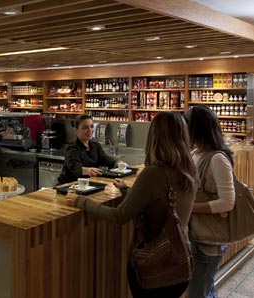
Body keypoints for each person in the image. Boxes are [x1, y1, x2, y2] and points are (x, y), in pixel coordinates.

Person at [65, 112, 197, 298]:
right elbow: (161, 205)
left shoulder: (153, 174)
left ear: (155, 137)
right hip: (181, 262)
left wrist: (81, 200)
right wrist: (128, 191)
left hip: (152, 265)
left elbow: (119, 216)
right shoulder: (189, 170)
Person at [184, 105, 236, 298]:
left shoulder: (217, 159)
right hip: (197, 234)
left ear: (195, 129)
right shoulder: (196, 153)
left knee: (199, 292)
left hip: (210, 239)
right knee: (205, 288)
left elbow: (227, 202)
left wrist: (190, 207)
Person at [57, 114, 125, 185]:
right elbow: (74, 166)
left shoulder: (96, 146)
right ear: (76, 130)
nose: (90, 130)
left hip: (87, 186)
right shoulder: (72, 148)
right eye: (85, 128)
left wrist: (117, 163)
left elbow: (105, 159)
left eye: (92, 126)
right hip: (67, 186)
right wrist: (86, 170)